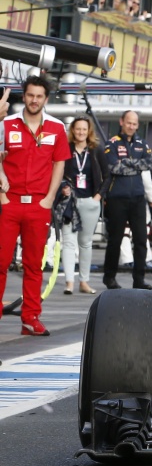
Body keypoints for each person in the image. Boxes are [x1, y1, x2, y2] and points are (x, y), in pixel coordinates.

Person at [0, 77, 67, 335]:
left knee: (33, 264)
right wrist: (2, 197)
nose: (34, 100)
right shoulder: (5, 124)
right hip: (9, 202)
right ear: (24, 96)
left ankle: (30, 318)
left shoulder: (56, 127)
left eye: (39, 96)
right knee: (1, 261)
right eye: (30, 95)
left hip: (39, 205)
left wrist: (49, 198)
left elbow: (59, 163)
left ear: (46, 99)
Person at [100, 110, 152, 290]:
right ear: (121, 122)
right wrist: (135, 165)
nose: (131, 126)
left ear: (137, 125)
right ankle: (109, 278)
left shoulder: (142, 143)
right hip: (117, 198)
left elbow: (149, 163)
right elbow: (114, 167)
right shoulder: (112, 143)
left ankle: (139, 280)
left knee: (140, 240)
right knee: (115, 239)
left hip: (138, 198)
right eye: (128, 122)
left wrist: (128, 163)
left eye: (134, 124)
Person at [61, 118, 104, 295]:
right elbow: (58, 170)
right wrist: (62, 188)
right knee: (68, 242)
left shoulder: (95, 150)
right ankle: (69, 281)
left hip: (90, 202)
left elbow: (108, 175)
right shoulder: (66, 149)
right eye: (77, 129)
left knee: (85, 243)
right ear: (72, 130)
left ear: (89, 131)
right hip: (69, 202)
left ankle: (84, 282)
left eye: (83, 129)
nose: (80, 132)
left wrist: (98, 197)